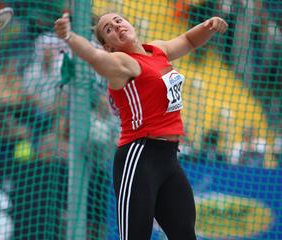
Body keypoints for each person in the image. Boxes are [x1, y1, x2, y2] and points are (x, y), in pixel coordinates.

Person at [54, 12, 227, 240]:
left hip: (168, 158)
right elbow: (95, 58)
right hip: (138, 157)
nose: (117, 26)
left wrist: (209, 26)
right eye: (108, 29)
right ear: (109, 47)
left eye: (118, 21)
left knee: (185, 234)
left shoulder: (156, 50)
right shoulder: (122, 63)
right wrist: (68, 36)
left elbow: (188, 41)